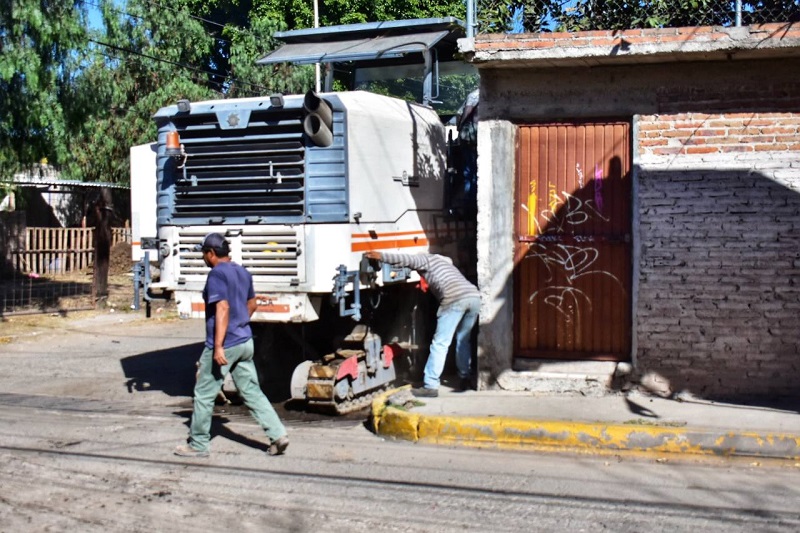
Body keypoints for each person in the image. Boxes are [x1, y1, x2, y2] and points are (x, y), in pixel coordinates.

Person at [174, 232, 289, 458]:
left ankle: (198, 444)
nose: (204, 258)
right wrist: (240, 324)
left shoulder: (217, 274)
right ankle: (278, 434)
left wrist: (218, 346)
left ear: (211, 253)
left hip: (225, 344)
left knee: (204, 393)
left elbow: (223, 308)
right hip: (245, 342)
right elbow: (252, 304)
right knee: (252, 391)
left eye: (204, 253)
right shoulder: (242, 272)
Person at [364, 250, 480, 397]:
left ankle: (430, 385)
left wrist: (382, 256)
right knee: (463, 340)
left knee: (440, 343)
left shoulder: (426, 259)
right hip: (474, 297)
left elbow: (406, 259)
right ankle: (465, 378)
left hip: (454, 299)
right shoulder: (447, 264)